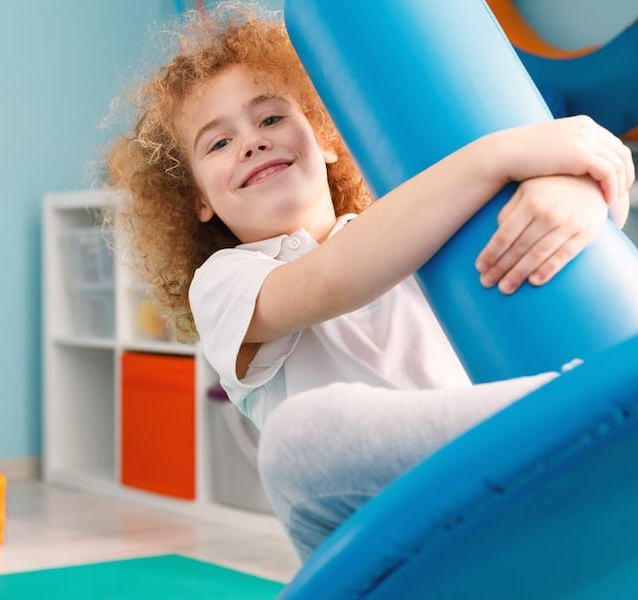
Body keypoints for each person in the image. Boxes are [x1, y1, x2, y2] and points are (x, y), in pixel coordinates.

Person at [104, 3, 634, 561]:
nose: (251, 143)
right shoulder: (224, 282)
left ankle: (589, 409)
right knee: (297, 440)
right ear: (199, 201)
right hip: (377, 532)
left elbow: (560, 241)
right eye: (217, 143)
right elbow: (335, 277)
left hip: (503, 492)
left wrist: (573, 188)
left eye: (270, 118)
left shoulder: (418, 224)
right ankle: (591, 407)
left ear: (328, 139)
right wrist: (499, 156)